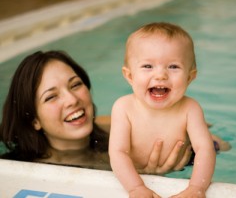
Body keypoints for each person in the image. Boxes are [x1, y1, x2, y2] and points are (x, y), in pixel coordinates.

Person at [0, 50, 192, 173]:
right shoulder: (19, 170)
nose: (72, 100)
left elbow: (213, 138)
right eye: (51, 97)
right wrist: (143, 176)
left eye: (75, 85)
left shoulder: (113, 126)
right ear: (34, 119)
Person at [109, 22, 217, 198]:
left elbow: (204, 149)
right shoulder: (123, 108)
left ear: (190, 77)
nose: (160, 75)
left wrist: (197, 188)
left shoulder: (190, 108)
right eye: (147, 66)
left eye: (173, 66)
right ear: (130, 76)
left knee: (214, 145)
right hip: (138, 172)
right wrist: (135, 187)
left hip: (184, 164)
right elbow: (118, 152)